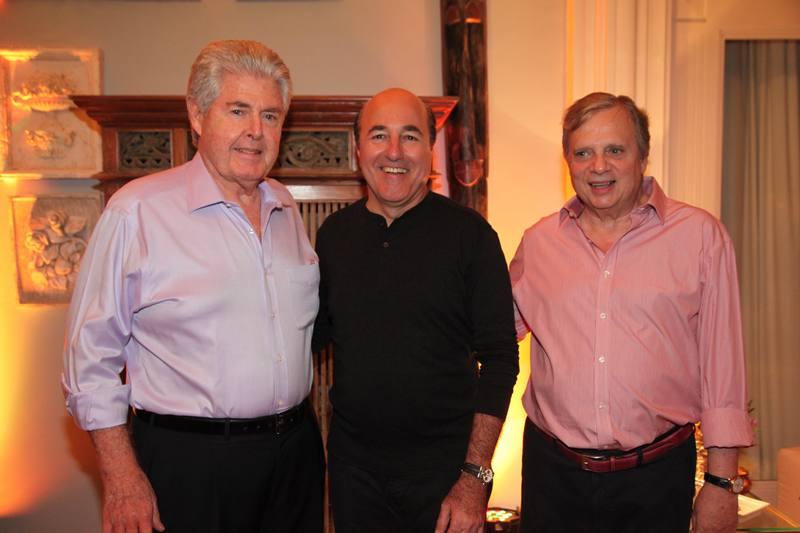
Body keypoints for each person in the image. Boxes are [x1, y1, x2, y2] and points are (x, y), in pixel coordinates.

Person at [62, 40, 324, 533]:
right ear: (198, 115)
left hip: (295, 455)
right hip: (190, 463)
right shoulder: (137, 211)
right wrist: (121, 475)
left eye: (270, 115)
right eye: (238, 110)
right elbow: (89, 358)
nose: (255, 130)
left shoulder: (285, 206)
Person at [510, 92, 754, 533]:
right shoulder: (539, 242)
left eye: (615, 150)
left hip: (656, 480)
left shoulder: (700, 237)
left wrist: (722, 482)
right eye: (583, 153)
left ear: (643, 155)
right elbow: (489, 337)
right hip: (553, 478)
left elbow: (724, 366)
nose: (598, 166)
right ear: (567, 162)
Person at [312, 88, 519, 533]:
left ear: (430, 150)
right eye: (378, 135)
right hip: (354, 477)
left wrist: (474, 478)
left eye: (409, 136)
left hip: (447, 478)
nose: (394, 152)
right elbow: (305, 338)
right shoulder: (333, 237)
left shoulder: (472, 237)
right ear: (358, 149)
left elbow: (501, 360)